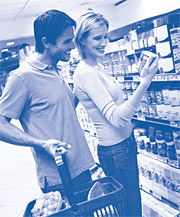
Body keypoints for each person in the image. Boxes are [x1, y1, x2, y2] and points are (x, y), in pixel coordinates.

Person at [73, 11, 159, 217]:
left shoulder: (98, 66)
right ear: (82, 40)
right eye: (97, 38)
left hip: (124, 145)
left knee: (132, 203)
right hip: (116, 150)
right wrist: (145, 83)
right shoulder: (86, 72)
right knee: (129, 210)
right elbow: (117, 117)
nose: (104, 42)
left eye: (105, 36)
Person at [0, 9, 95, 194]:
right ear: (46, 42)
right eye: (66, 41)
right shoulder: (22, 77)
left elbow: (59, 111)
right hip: (59, 176)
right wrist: (42, 144)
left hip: (82, 167)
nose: (73, 46)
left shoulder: (55, 69)